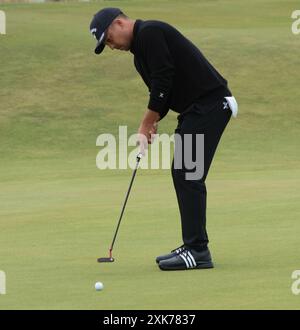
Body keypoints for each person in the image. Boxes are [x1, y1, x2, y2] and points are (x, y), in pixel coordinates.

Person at [89, 8, 238, 271]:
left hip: (211, 104)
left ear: (120, 23)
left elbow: (163, 81)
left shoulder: (150, 33)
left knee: (187, 172)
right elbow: (163, 95)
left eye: (108, 39)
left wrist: (146, 122)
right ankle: (193, 246)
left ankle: (198, 251)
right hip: (197, 109)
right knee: (183, 171)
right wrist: (153, 123)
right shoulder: (139, 56)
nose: (111, 46)